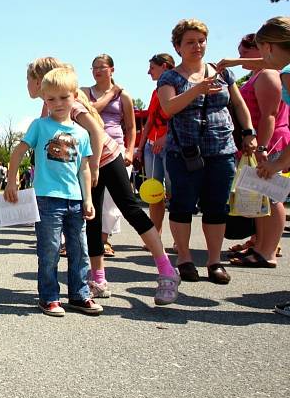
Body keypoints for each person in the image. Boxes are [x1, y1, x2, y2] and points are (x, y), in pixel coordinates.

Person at [28, 57, 180, 304]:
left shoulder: (71, 103)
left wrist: (94, 166)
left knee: (130, 208)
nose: (27, 85)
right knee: (92, 219)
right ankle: (98, 279)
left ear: (40, 80)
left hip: (105, 159)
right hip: (87, 165)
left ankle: (166, 270)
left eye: (29, 79)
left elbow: (96, 133)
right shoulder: (51, 105)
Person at [157, 19, 256, 285]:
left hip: (222, 149)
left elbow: (238, 103)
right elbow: (168, 108)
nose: (197, 46)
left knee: (217, 207)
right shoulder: (170, 77)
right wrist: (198, 89)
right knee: (182, 205)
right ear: (178, 47)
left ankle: (214, 262)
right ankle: (185, 259)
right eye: (190, 42)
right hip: (185, 152)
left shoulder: (221, 73)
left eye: (201, 41)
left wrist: (248, 132)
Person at [5, 67, 100, 317]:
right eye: (51, 99)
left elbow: (84, 169)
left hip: (76, 201)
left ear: (75, 97)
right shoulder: (40, 125)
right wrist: (11, 180)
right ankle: (49, 297)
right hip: (47, 199)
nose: (57, 103)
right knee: (49, 250)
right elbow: (18, 152)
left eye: (64, 97)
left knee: (80, 250)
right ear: (44, 99)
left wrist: (88, 199)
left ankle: (79, 295)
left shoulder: (81, 133)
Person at [225, 34, 289, 269]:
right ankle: (260, 246)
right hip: (258, 145)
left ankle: (268, 251)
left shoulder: (269, 75)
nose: (241, 57)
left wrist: (261, 147)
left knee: (271, 196)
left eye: (244, 52)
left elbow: (269, 115)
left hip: (270, 143)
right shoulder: (258, 74)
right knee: (260, 196)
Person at [82, 54, 136, 256]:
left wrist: (130, 150)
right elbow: (91, 110)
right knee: (91, 196)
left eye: (101, 67)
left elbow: (130, 127)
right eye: (93, 67)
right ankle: (90, 240)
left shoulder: (124, 96)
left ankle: (104, 240)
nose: (97, 71)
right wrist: (111, 92)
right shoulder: (85, 93)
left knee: (113, 200)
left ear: (112, 69)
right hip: (90, 149)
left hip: (116, 148)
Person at [135, 53, 176, 236]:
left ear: (165, 67)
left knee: (175, 192)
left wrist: (165, 137)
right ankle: (155, 234)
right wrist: (141, 147)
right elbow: (150, 120)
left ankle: (179, 238)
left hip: (172, 146)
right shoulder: (155, 91)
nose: (148, 72)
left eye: (152, 68)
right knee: (154, 191)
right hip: (151, 147)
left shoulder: (180, 87)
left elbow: (181, 118)